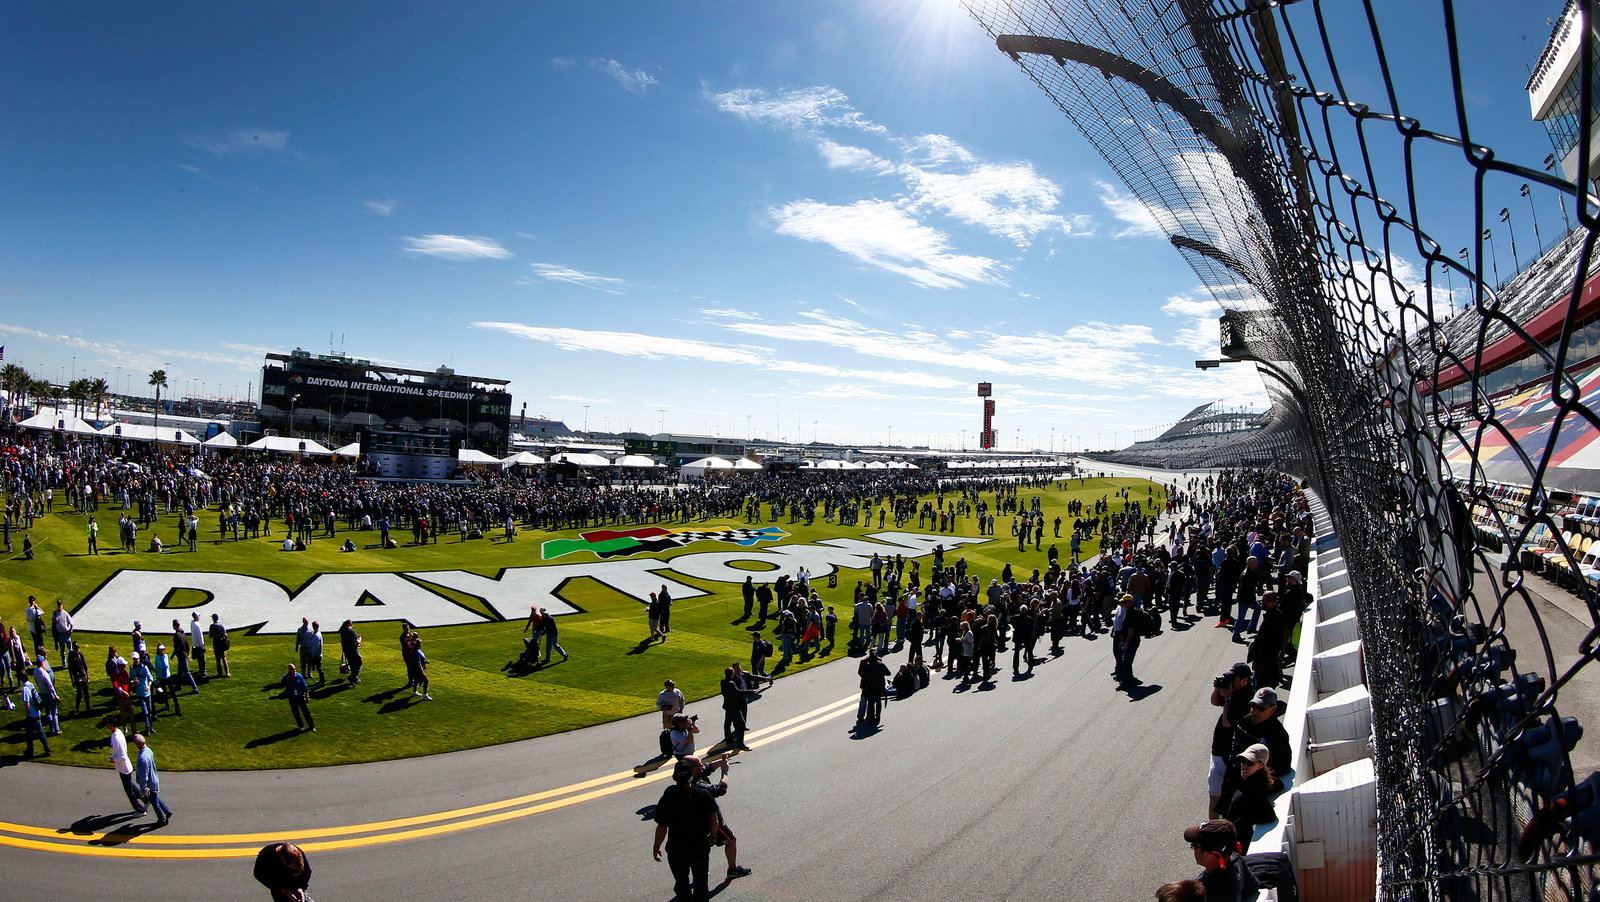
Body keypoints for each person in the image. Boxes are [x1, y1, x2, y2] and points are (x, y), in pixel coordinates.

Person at [651, 758, 719, 902]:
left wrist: (657, 846)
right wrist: (712, 837)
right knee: (701, 884)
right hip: (699, 848)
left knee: (681, 884)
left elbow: (662, 826)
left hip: (676, 850)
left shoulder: (669, 794)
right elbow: (714, 820)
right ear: (691, 776)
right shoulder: (703, 795)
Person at [685, 754, 753, 881]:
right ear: (691, 769)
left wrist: (722, 761)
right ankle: (732, 870)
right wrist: (725, 772)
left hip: (697, 820)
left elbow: (709, 767)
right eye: (699, 765)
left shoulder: (692, 775)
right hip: (711, 819)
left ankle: (699, 873)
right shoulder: (697, 784)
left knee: (701, 847)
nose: (702, 767)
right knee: (731, 839)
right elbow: (720, 789)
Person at [1209, 662, 1254, 819]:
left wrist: (1228, 698)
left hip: (1228, 755)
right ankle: (1213, 830)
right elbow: (1215, 701)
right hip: (1220, 753)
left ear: (1244, 681)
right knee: (1216, 795)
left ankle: (1221, 831)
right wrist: (1218, 689)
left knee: (1223, 796)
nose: (1230, 681)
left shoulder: (1247, 700)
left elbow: (1227, 723)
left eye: (1233, 678)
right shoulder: (1234, 691)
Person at [1183, 819, 1258, 902]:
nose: (1194, 850)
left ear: (1209, 854)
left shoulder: (1215, 891)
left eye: (1194, 846)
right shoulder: (1234, 858)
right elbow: (1252, 886)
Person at [1222, 744, 1278, 852]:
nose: (1244, 766)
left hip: (1238, 845)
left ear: (1261, 765)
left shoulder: (1252, 790)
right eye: (1243, 761)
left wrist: (1243, 821)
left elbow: (1269, 816)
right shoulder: (1261, 781)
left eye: (1249, 763)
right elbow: (1278, 784)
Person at [106, 718, 145, 814]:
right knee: (130, 784)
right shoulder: (117, 733)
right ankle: (144, 797)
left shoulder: (116, 738)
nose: (106, 725)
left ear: (111, 724)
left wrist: (113, 760)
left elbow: (122, 756)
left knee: (128, 790)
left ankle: (140, 809)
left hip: (124, 768)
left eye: (107, 723)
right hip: (124, 767)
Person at [132, 733, 172, 826]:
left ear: (138, 744)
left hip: (150, 783)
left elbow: (143, 776)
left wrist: (143, 788)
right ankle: (167, 811)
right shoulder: (148, 750)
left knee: (154, 801)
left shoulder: (142, 758)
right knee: (154, 797)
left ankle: (161, 820)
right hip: (154, 779)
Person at [19, 668, 50, 757]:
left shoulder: (25, 689)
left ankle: (30, 752)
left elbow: (27, 704)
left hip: (31, 715)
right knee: (41, 734)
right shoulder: (30, 685)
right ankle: (47, 750)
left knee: (29, 735)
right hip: (37, 713)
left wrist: (26, 714)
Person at [856, 648, 890, 725]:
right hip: (867, 685)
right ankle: (862, 716)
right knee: (865, 701)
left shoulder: (878, 661)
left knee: (872, 702)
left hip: (870, 685)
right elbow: (860, 673)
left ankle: (870, 716)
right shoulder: (864, 662)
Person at [720, 666, 749, 750]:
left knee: (727, 723)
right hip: (734, 707)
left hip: (727, 706)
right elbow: (738, 692)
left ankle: (728, 739)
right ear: (731, 674)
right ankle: (740, 743)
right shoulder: (731, 683)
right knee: (741, 724)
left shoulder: (723, 682)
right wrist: (751, 691)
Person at [281, 663, 315, 732]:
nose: (294, 671)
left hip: (300, 697)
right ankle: (301, 726)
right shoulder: (286, 677)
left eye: (295, 669)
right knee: (296, 713)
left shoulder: (299, 676)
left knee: (306, 712)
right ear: (289, 670)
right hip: (292, 698)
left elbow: (305, 687)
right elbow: (282, 684)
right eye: (293, 669)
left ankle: (312, 726)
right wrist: (286, 680)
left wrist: (307, 696)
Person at [339, 619, 363, 684]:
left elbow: (341, 641)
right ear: (351, 624)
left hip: (346, 651)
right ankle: (353, 676)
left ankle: (354, 678)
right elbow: (357, 642)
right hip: (353, 651)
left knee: (352, 665)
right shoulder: (352, 632)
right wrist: (360, 638)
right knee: (359, 663)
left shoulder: (343, 631)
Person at [189, 611, 207, 678]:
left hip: (195, 644)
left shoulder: (192, 623)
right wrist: (202, 645)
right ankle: (203, 672)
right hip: (199, 645)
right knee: (202, 660)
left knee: (200, 660)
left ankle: (201, 670)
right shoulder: (197, 625)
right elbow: (200, 636)